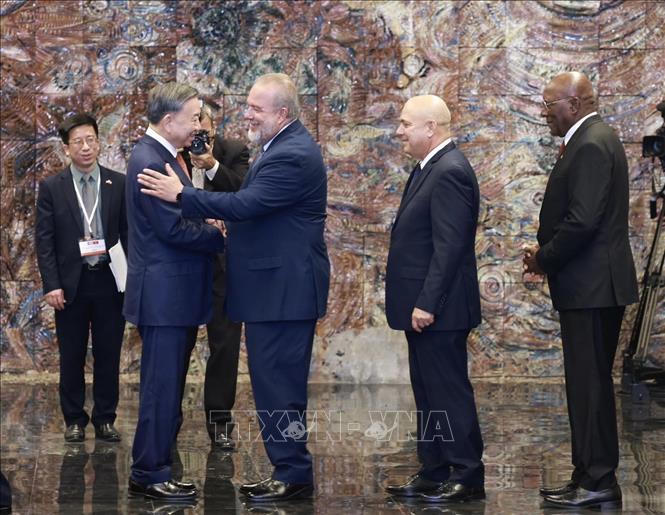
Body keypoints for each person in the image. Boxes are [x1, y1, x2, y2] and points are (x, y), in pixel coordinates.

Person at [137, 73, 330, 502]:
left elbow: (247, 203)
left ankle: (293, 473)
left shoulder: (292, 153)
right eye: (248, 106)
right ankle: (288, 468)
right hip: (273, 291)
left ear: (282, 113)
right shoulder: (279, 144)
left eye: (256, 108)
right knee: (273, 386)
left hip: (283, 291)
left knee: (281, 388)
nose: (247, 114)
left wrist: (181, 195)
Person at [523, 72, 638, 509]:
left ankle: (598, 480)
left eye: (548, 104)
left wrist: (544, 258)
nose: (544, 113)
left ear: (573, 104)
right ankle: (587, 474)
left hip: (592, 288)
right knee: (588, 386)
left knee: (589, 387)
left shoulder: (590, 143)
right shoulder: (593, 138)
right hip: (592, 287)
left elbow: (582, 221)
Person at [123, 82, 225, 502]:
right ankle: (149, 473)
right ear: (169, 121)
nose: (198, 124)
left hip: (173, 296)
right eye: (194, 117)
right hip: (164, 297)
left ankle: (155, 466)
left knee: (167, 388)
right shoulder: (151, 160)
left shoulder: (163, 155)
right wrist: (215, 234)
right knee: (160, 390)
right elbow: (171, 229)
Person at [383, 95, 485, 503]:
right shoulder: (429, 167)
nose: (399, 131)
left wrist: (427, 302)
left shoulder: (450, 171)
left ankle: (467, 474)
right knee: (428, 393)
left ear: (431, 128)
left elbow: (450, 248)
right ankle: (434, 470)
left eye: (406, 124)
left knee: (448, 392)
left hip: (441, 309)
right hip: (425, 309)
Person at [35, 113, 127, 444]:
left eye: (91, 140)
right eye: (78, 142)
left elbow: (129, 234)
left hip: (109, 281)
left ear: (99, 143)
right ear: (66, 148)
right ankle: (74, 419)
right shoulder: (52, 187)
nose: (86, 147)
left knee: (108, 354)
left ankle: (105, 418)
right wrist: (52, 285)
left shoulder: (119, 183)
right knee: (72, 355)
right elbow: (44, 240)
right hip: (71, 285)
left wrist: (131, 279)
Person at [180, 104, 249, 451]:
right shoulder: (173, 154)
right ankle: (169, 422)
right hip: (185, 266)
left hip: (224, 267)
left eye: (201, 124)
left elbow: (245, 192)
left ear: (213, 126)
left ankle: (220, 423)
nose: (196, 132)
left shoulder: (233, 152)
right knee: (178, 345)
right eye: (190, 123)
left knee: (224, 347)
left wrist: (211, 165)